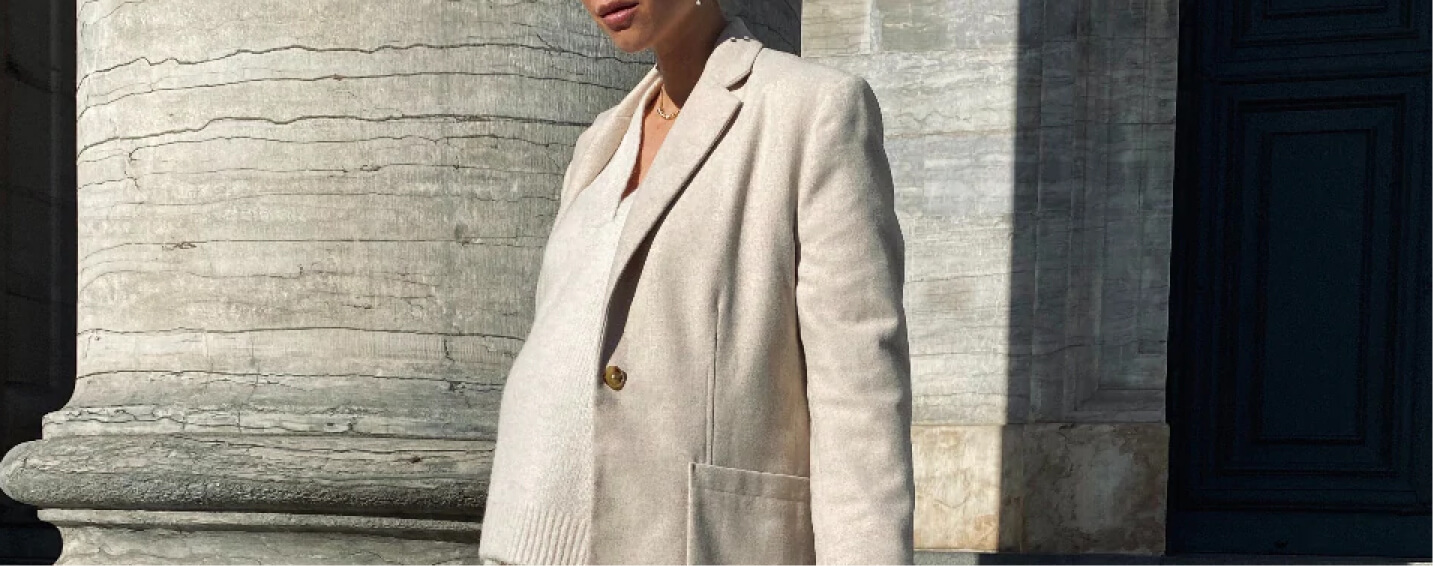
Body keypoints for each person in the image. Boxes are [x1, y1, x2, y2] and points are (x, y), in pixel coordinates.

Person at [477, 0, 914, 563]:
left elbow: (858, 393)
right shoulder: (600, 140)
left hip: (695, 543)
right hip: (529, 542)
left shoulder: (812, 110)